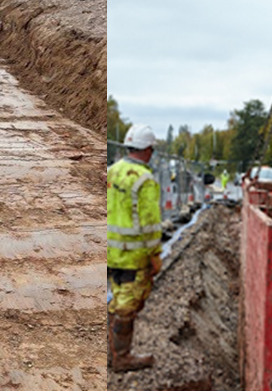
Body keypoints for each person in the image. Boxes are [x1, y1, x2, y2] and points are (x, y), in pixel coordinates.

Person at [107, 123, 163, 372]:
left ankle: (110, 354)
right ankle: (121, 357)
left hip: (111, 251)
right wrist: (154, 256)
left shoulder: (112, 171)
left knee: (117, 299)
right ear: (148, 149)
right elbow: (150, 223)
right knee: (127, 306)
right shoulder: (144, 179)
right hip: (133, 255)